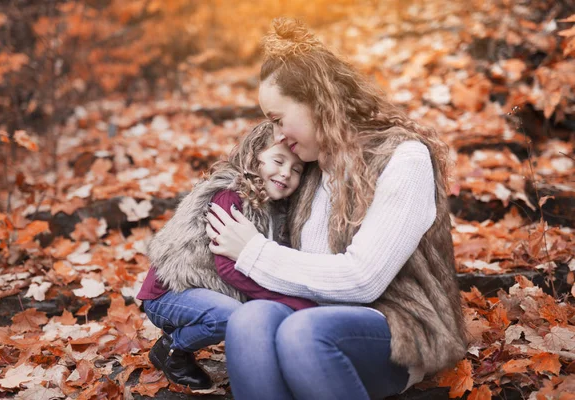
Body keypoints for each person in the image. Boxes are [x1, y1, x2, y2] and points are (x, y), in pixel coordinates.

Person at [205, 18, 468, 400]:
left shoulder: (403, 158)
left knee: (304, 333)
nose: (276, 136)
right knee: (249, 321)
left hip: (395, 327)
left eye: (279, 119)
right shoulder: (306, 171)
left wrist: (252, 252)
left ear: (317, 100)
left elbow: (364, 279)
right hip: (309, 314)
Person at [137, 121, 316, 390]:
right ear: (254, 158)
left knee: (243, 312)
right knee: (233, 316)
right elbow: (228, 269)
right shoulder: (229, 198)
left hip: (207, 293)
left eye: (296, 169)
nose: (285, 173)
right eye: (277, 161)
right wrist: (290, 301)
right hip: (169, 293)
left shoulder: (277, 210)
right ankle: (171, 349)